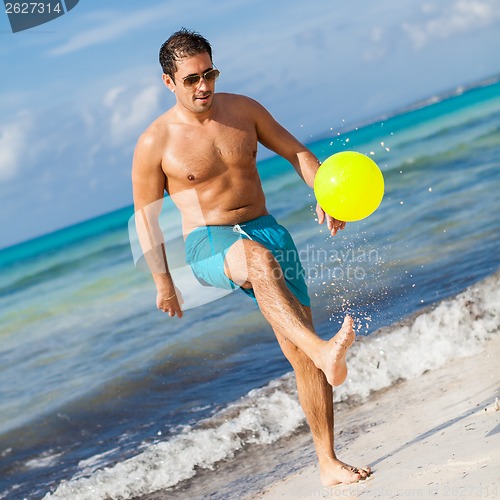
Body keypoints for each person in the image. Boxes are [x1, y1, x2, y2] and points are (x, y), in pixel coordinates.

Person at [131, 28, 371, 486]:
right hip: (209, 241)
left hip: (267, 229)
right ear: (168, 82)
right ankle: (324, 351)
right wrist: (163, 282)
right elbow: (146, 219)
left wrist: (325, 192)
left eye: (209, 74)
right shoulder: (155, 142)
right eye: (191, 79)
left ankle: (327, 463)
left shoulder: (244, 110)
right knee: (257, 262)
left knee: (300, 356)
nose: (204, 86)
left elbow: (296, 151)